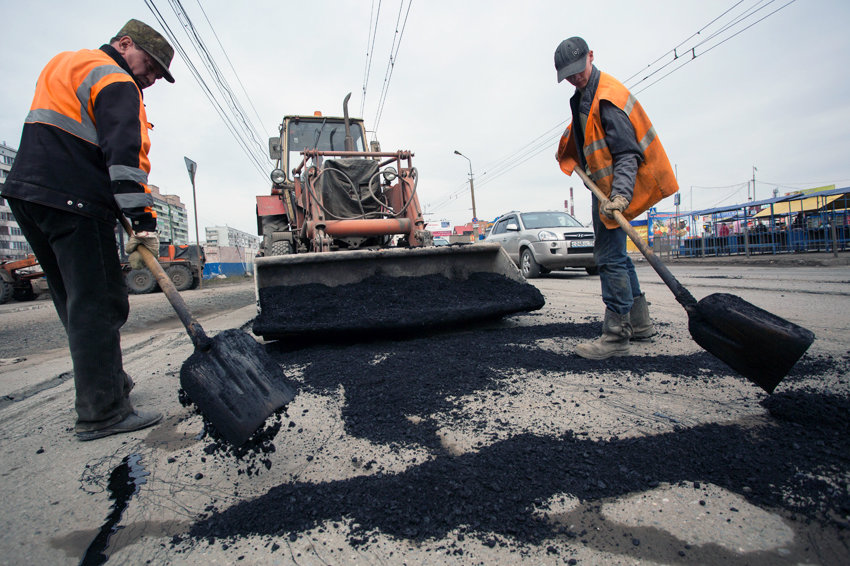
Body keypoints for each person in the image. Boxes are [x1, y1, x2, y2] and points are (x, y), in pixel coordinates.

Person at [1, 19, 175, 440]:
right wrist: (143, 221)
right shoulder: (117, 79)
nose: (149, 79)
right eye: (149, 66)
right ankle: (104, 413)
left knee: (74, 301)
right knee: (100, 302)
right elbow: (123, 154)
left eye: (155, 75)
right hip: (75, 200)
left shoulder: (66, 64)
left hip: (29, 195)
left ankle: (110, 384)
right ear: (125, 43)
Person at [554, 37, 679, 359]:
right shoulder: (585, 95)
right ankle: (640, 324)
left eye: (578, 71)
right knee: (618, 257)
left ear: (591, 57)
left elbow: (626, 154)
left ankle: (615, 335)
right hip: (605, 191)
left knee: (609, 259)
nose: (575, 77)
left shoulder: (607, 98)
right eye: (568, 75)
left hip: (615, 193)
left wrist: (620, 196)